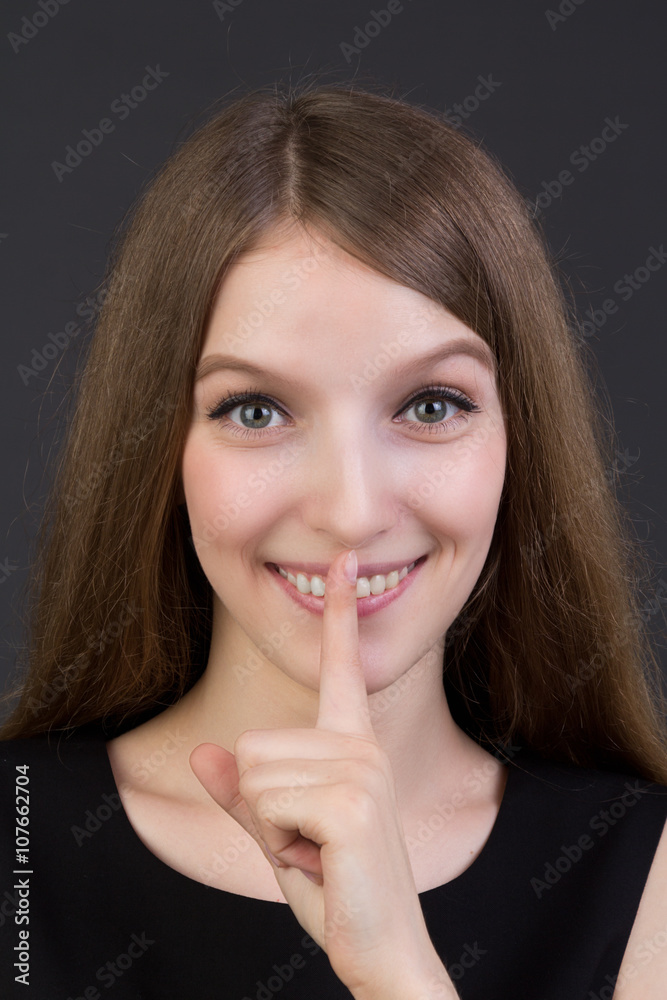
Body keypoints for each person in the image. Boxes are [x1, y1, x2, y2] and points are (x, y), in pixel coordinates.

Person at [1, 79, 666, 999]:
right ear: (160, 445)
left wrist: (399, 971)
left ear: (520, 439)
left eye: (431, 405)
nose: (351, 512)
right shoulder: (20, 841)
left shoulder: (647, 879)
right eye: (256, 409)